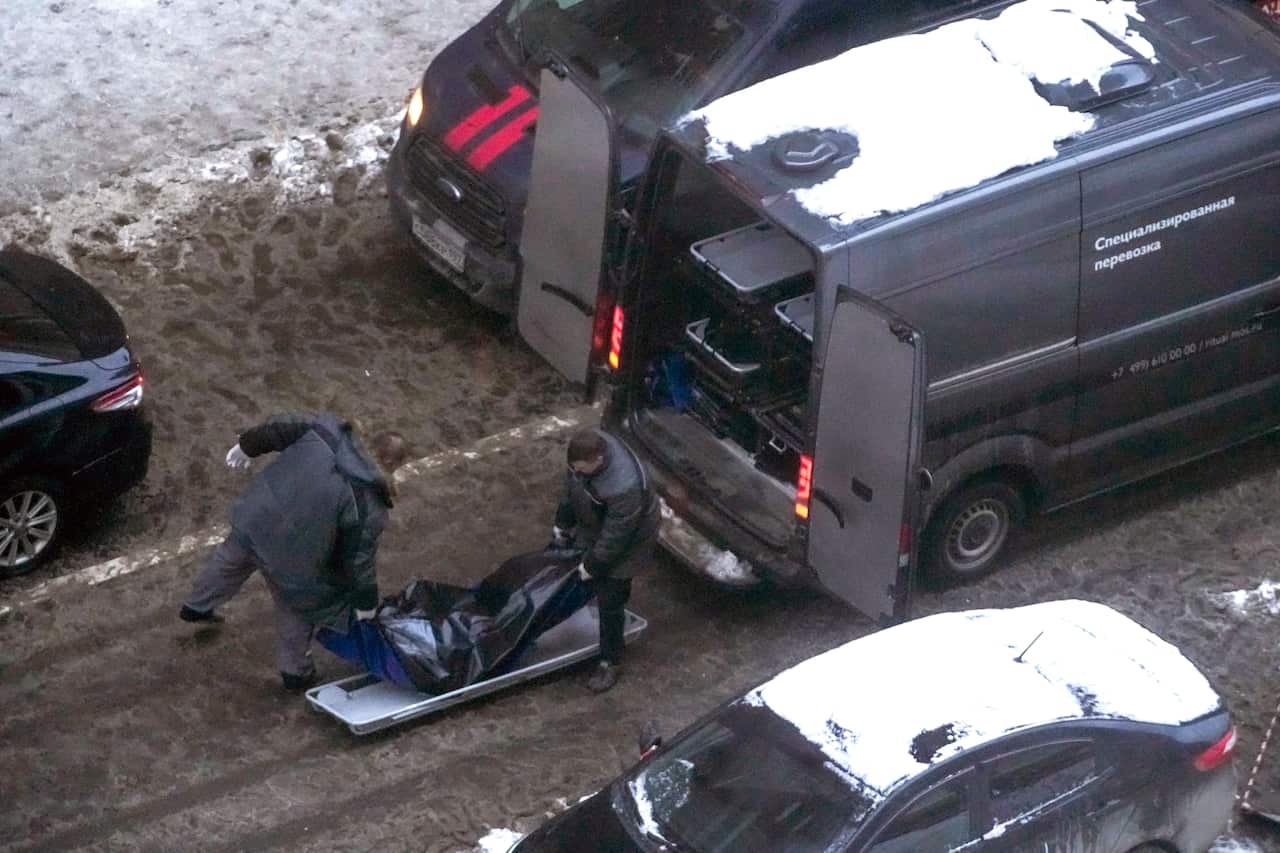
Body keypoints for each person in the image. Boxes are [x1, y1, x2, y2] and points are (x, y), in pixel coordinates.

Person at [178, 413, 412, 691]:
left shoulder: (326, 430)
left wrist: (247, 446)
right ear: (391, 464)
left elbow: (277, 429)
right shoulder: (370, 505)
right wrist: (364, 605)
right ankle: (296, 672)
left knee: (228, 562)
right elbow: (357, 562)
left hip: (258, 516)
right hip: (295, 563)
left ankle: (196, 605)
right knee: (297, 612)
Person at [552, 428, 660, 693]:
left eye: (581, 469)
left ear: (598, 460)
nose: (575, 472)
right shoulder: (582, 459)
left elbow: (617, 537)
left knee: (611, 598)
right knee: (570, 562)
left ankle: (610, 660)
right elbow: (572, 490)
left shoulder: (625, 487)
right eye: (573, 468)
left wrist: (592, 566)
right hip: (597, 517)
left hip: (630, 538)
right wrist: (563, 523)